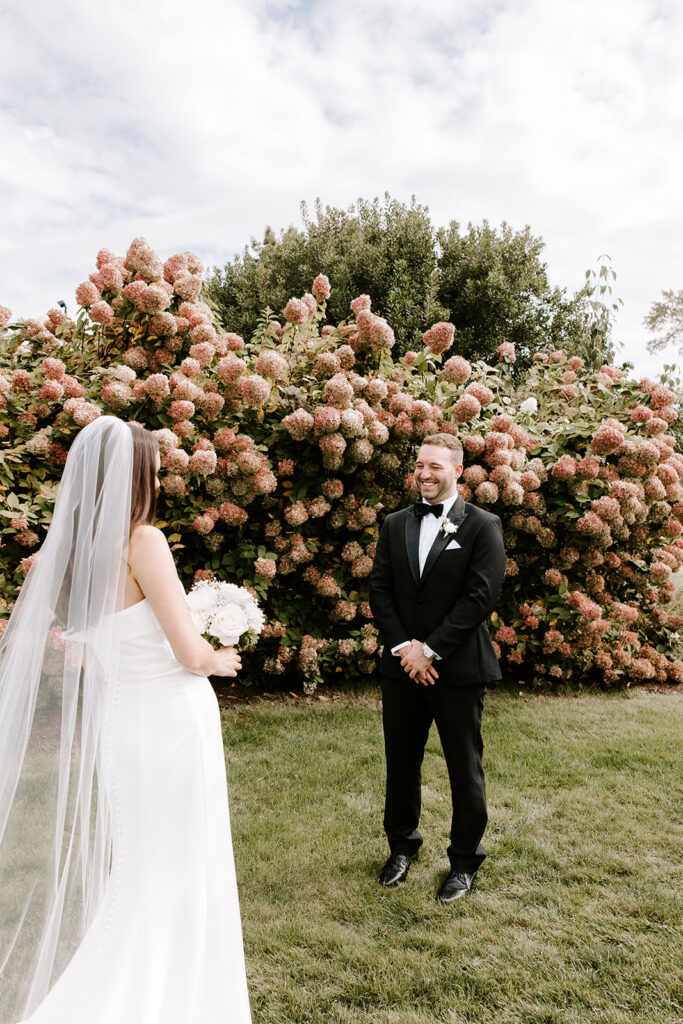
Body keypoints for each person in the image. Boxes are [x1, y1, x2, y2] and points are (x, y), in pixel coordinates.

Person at [0, 416, 252, 1023]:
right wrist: (221, 656)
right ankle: (174, 996)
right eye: (156, 468)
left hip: (123, 724)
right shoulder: (144, 541)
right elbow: (188, 653)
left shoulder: (69, 556)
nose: (162, 476)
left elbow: (109, 647)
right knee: (184, 861)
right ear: (137, 474)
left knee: (143, 861)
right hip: (171, 719)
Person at [369, 432, 506, 903]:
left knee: (463, 767)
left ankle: (464, 862)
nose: (425, 474)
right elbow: (380, 591)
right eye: (420, 465)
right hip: (402, 669)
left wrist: (430, 651)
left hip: (457, 670)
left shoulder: (482, 526)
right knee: (401, 764)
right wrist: (406, 649)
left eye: (436, 466)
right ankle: (401, 848)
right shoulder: (394, 524)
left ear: (458, 471)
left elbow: (479, 598)